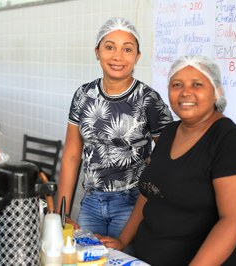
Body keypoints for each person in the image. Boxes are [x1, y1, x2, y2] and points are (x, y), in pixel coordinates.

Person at [98, 55, 236, 265]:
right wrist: (122, 241)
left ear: (216, 92)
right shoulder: (170, 132)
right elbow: (149, 194)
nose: (185, 92)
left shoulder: (229, 140)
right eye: (176, 84)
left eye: (197, 84)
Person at [57, 17, 172, 242]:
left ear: (137, 56)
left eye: (127, 49)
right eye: (109, 47)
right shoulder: (83, 95)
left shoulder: (149, 100)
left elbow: (168, 160)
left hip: (132, 204)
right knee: (83, 259)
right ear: (97, 51)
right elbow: (71, 156)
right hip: (90, 201)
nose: (118, 56)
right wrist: (62, 213)